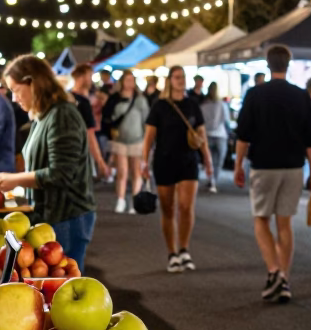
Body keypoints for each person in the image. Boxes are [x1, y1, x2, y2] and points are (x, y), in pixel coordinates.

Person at [0, 55, 96, 271]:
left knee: (61, 286)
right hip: (53, 217)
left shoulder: (62, 115)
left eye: (16, 89)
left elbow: (61, 174)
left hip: (67, 217)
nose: (13, 98)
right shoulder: (45, 115)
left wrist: (15, 180)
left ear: (33, 83)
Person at [234, 44, 311, 304]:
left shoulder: (255, 94)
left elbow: (243, 135)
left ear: (268, 64)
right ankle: (284, 277)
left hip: (263, 165)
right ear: (288, 64)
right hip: (293, 166)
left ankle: (274, 271)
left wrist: (238, 165)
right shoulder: (301, 96)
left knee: (261, 220)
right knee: (285, 223)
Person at [142, 64, 213, 272]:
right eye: (176, 77)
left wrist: (207, 159)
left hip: (189, 161)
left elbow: (202, 134)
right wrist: (144, 162)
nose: (181, 80)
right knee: (168, 208)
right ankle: (171, 252)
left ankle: (184, 249)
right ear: (169, 81)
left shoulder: (192, 105)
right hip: (164, 161)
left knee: (185, 206)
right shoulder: (160, 106)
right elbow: (149, 137)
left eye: (182, 76)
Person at [102, 69, 149, 212]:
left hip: (137, 139)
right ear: (121, 82)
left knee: (136, 172)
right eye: (127, 80)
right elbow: (107, 116)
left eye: (132, 80)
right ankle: (121, 200)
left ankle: (134, 201)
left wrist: (147, 141)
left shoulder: (140, 99)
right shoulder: (114, 98)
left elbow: (146, 120)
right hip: (119, 140)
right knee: (122, 171)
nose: (130, 83)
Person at [69, 62, 110, 179]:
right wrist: (100, 161)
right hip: (81, 151)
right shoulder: (83, 102)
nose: (91, 79)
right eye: (89, 75)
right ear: (81, 77)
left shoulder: (69, 98)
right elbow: (89, 133)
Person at [201, 81, 230, 193]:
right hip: (220, 135)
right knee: (218, 160)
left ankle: (211, 180)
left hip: (207, 135)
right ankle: (214, 181)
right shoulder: (222, 105)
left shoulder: (203, 106)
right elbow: (226, 121)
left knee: (209, 160)